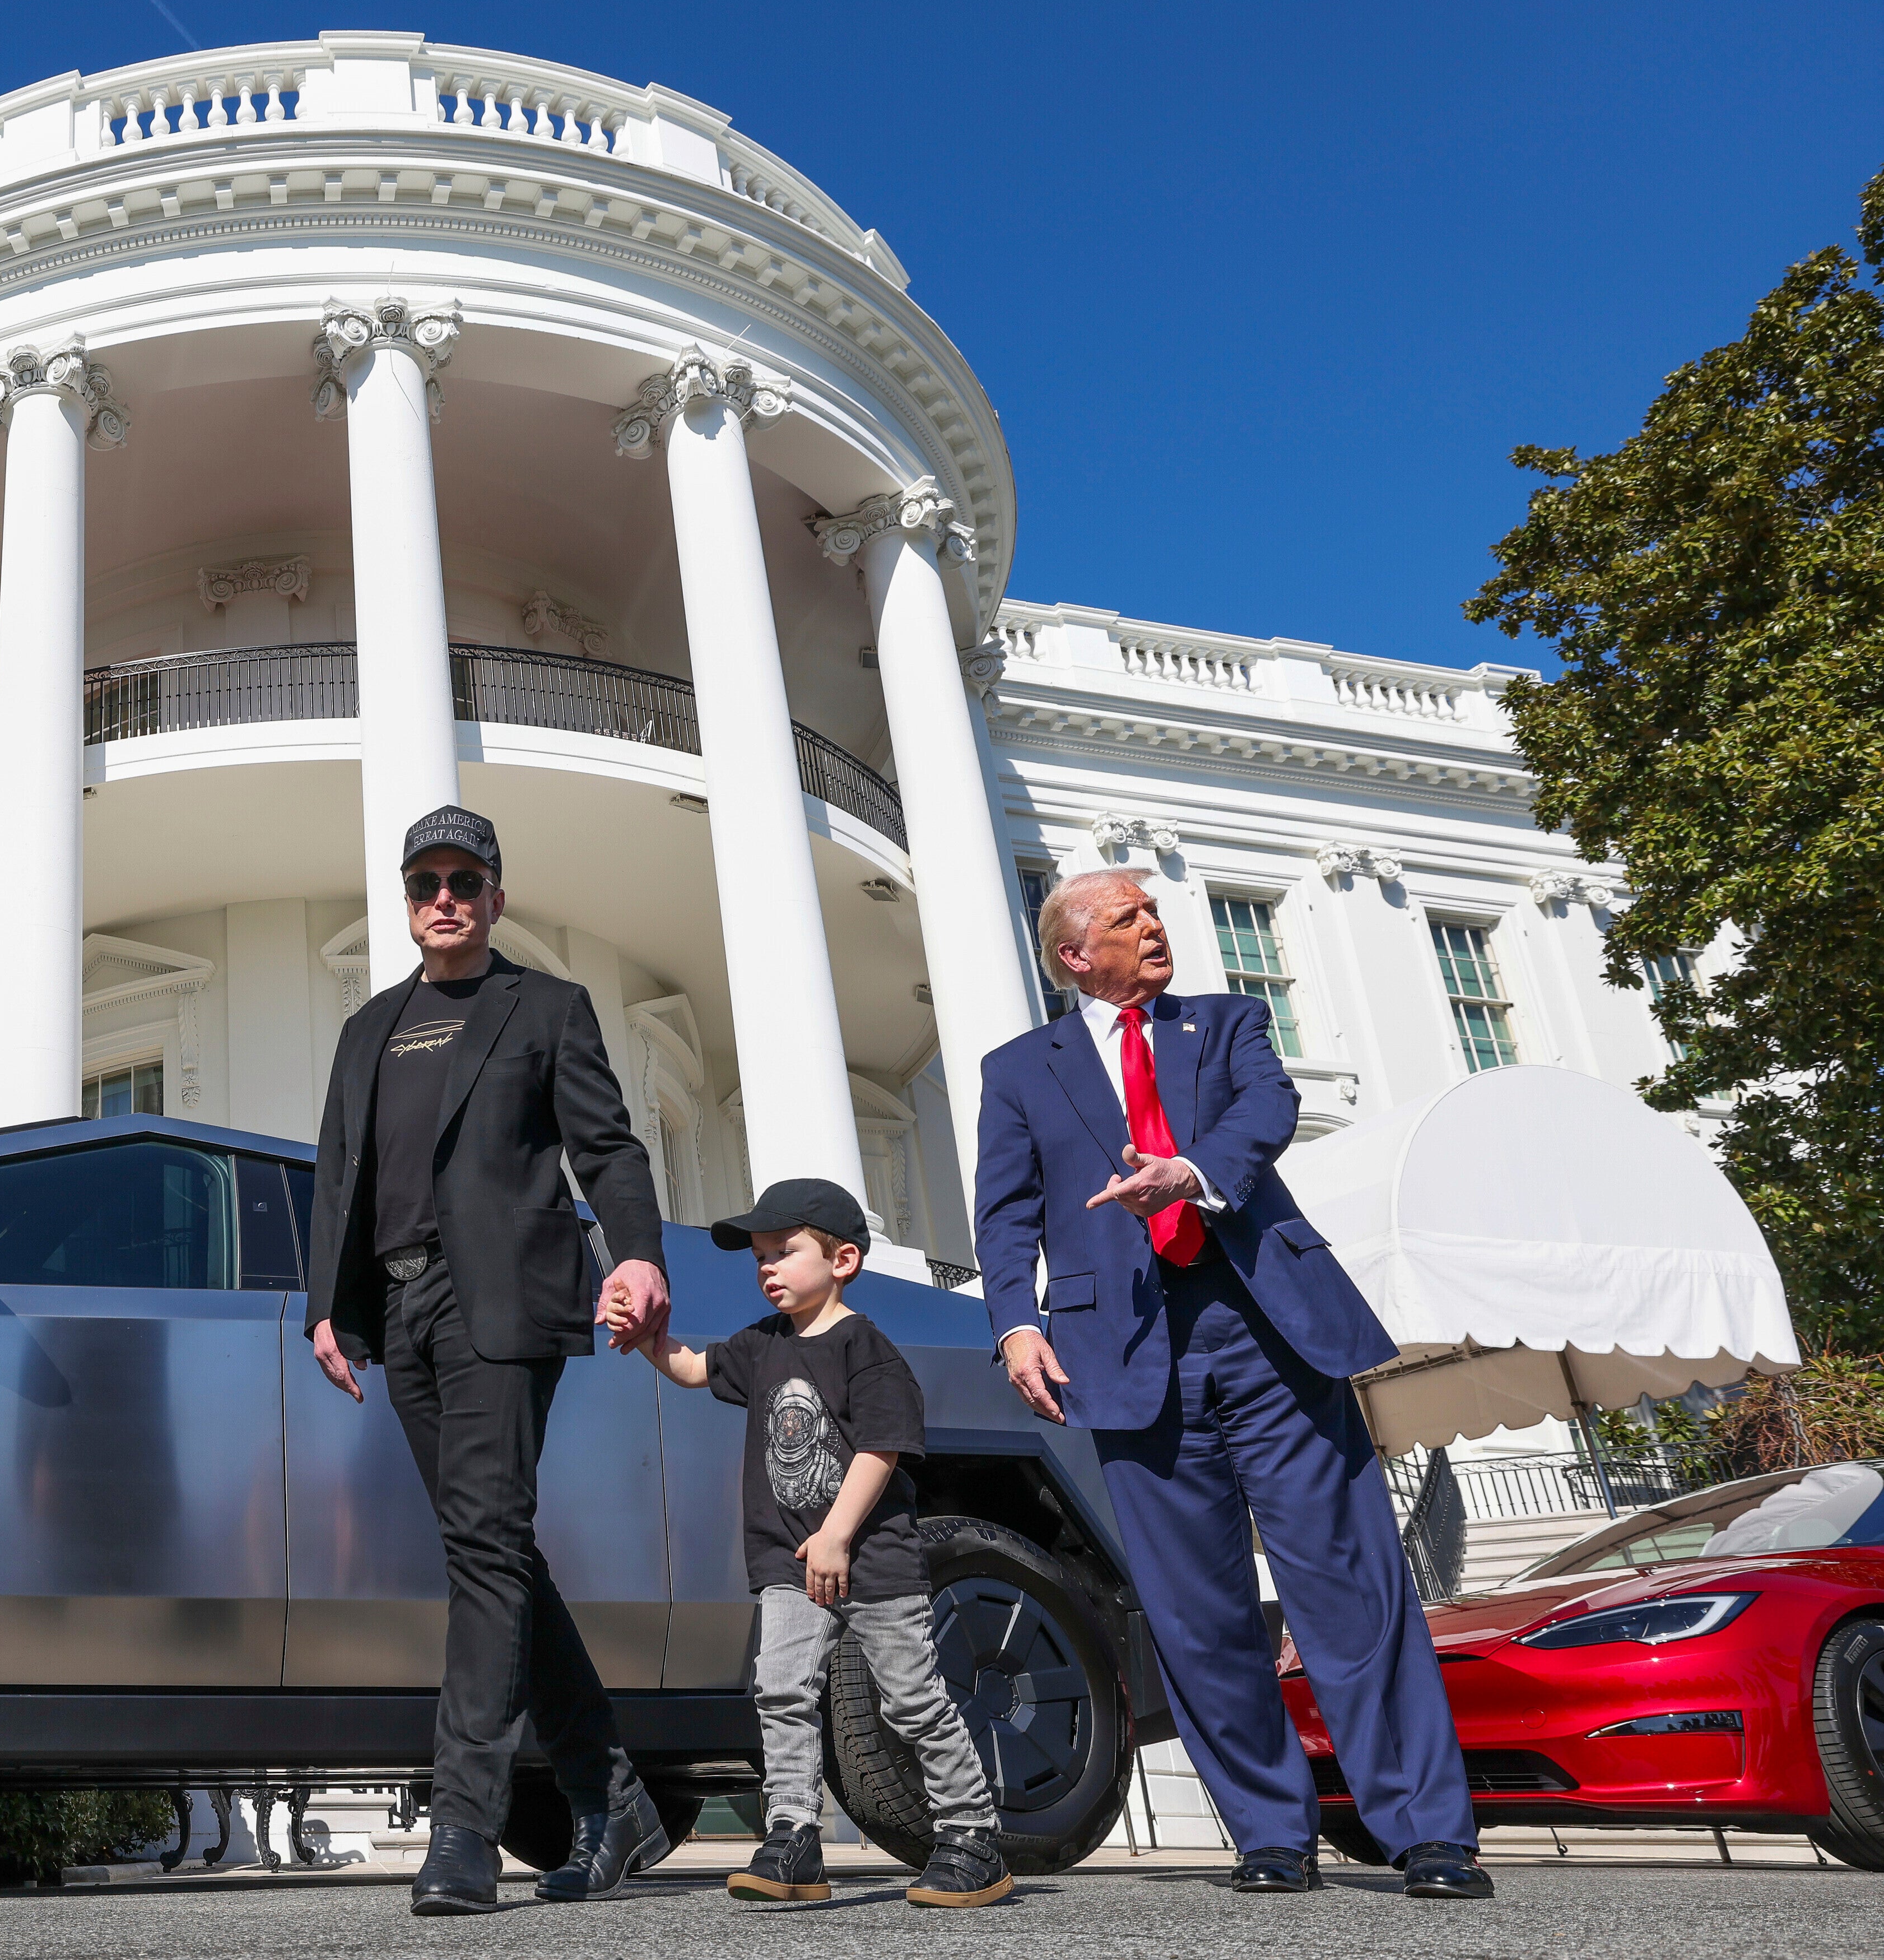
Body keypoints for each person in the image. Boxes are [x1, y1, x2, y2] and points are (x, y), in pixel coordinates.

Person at [974, 870, 1491, 1900]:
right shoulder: (1019, 1068)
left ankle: (1428, 1832)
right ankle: (1269, 1835)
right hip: (1121, 1356)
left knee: (1354, 1592)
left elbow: (1271, 1109)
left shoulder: (1226, 1023)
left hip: (1270, 1336)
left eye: (1153, 912)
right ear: (1076, 954)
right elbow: (1005, 1210)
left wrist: (1191, 1172)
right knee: (1195, 1615)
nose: (1155, 927)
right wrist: (1016, 1326)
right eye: (1129, 919)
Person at [303, 805, 676, 1916]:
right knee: (493, 1548)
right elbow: (337, 1176)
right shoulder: (367, 1028)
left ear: (495, 897)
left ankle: (460, 1825)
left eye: (466, 879)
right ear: (408, 899)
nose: (445, 897)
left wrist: (641, 1256)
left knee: (482, 1551)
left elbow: (605, 1147)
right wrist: (329, 1307)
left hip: (501, 1300)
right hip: (402, 1309)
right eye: (426, 881)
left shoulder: (544, 1008)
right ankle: (613, 1799)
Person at [618, 1178, 1013, 1908]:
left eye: (784, 1252)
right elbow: (694, 1370)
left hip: (871, 1558)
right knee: (781, 1691)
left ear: (844, 1260)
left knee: (910, 1702)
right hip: (787, 1560)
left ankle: (971, 1834)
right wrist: (649, 1338)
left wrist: (836, 1535)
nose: (767, 1267)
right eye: (760, 1257)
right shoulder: (761, 1345)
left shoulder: (867, 1350)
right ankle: (794, 1838)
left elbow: (881, 1449)